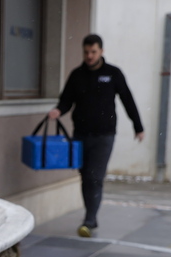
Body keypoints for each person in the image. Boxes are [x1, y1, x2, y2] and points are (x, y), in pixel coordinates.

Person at [48, 34, 144, 238]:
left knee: (95, 177)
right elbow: (66, 100)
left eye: (93, 52)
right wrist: (58, 110)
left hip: (104, 135)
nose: (89, 56)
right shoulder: (77, 75)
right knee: (85, 177)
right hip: (80, 134)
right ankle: (91, 215)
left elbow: (127, 100)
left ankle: (89, 220)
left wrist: (138, 126)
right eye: (86, 52)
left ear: (101, 51)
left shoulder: (113, 73)